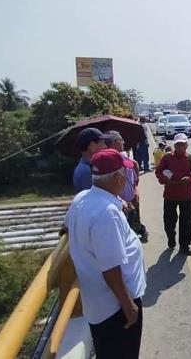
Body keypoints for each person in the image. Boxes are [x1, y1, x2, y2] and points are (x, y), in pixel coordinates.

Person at [63, 149, 146, 359]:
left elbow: (66, 226)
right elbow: (110, 268)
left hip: (98, 304)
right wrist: (129, 305)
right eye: (125, 174)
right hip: (116, 308)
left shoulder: (83, 198)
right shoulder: (106, 213)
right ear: (118, 176)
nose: (127, 178)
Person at [155, 133, 191, 255]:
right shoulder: (167, 158)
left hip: (186, 195)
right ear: (174, 145)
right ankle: (171, 238)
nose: (181, 148)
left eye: (183, 145)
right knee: (169, 221)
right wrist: (165, 180)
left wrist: (189, 179)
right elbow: (158, 172)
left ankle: (185, 245)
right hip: (170, 194)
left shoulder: (190, 158)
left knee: (186, 221)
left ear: (186, 146)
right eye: (178, 145)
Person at [105, 131, 149, 243]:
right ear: (114, 143)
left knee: (134, 228)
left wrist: (135, 190)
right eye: (121, 140)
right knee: (127, 237)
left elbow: (134, 177)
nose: (124, 142)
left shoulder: (124, 158)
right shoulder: (108, 163)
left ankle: (141, 231)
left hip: (132, 201)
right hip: (122, 207)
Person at [73, 128, 111, 192]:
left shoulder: (91, 167)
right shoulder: (86, 171)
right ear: (91, 145)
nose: (105, 147)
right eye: (102, 143)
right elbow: (94, 198)